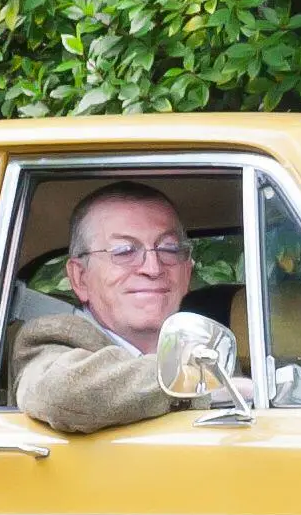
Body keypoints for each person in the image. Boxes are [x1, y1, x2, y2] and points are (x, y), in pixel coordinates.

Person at [11, 182, 206, 434]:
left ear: (187, 271)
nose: (153, 268)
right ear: (80, 278)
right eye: (124, 251)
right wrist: (199, 382)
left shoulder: (206, 345)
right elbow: (61, 393)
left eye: (168, 249)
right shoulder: (50, 337)